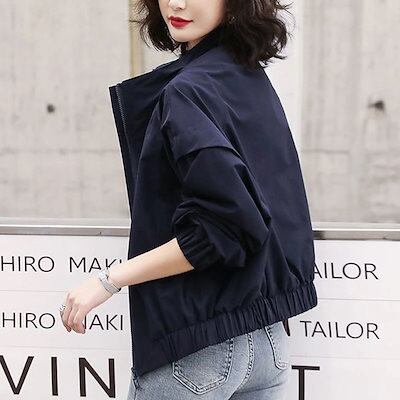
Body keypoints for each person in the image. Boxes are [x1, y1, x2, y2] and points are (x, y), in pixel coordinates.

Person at [59, 0, 318, 399]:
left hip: (195, 349)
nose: (176, 4)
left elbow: (225, 229)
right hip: (267, 342)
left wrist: (109, 281)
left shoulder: (187, 92)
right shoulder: (246, 75)